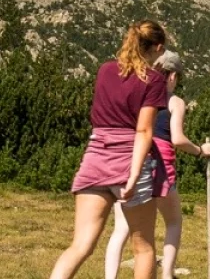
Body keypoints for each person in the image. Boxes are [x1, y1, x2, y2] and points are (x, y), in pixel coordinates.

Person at [51, 20, 171, 279]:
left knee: (80, 246)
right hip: (129, 159)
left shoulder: (105, 71)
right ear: (157, 47)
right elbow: (143, 131)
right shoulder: (154, 80)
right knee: (143, 248)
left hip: (95, 156)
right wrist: (134, 174)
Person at [104, 51, 210, 279]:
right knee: (174, 221)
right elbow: (177, 139)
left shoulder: (138, 96)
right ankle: (166, 274)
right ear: (173, 76)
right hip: (161, 169)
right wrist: (199, 151)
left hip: (131, 162)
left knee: (122, 229)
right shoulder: (175, 101)